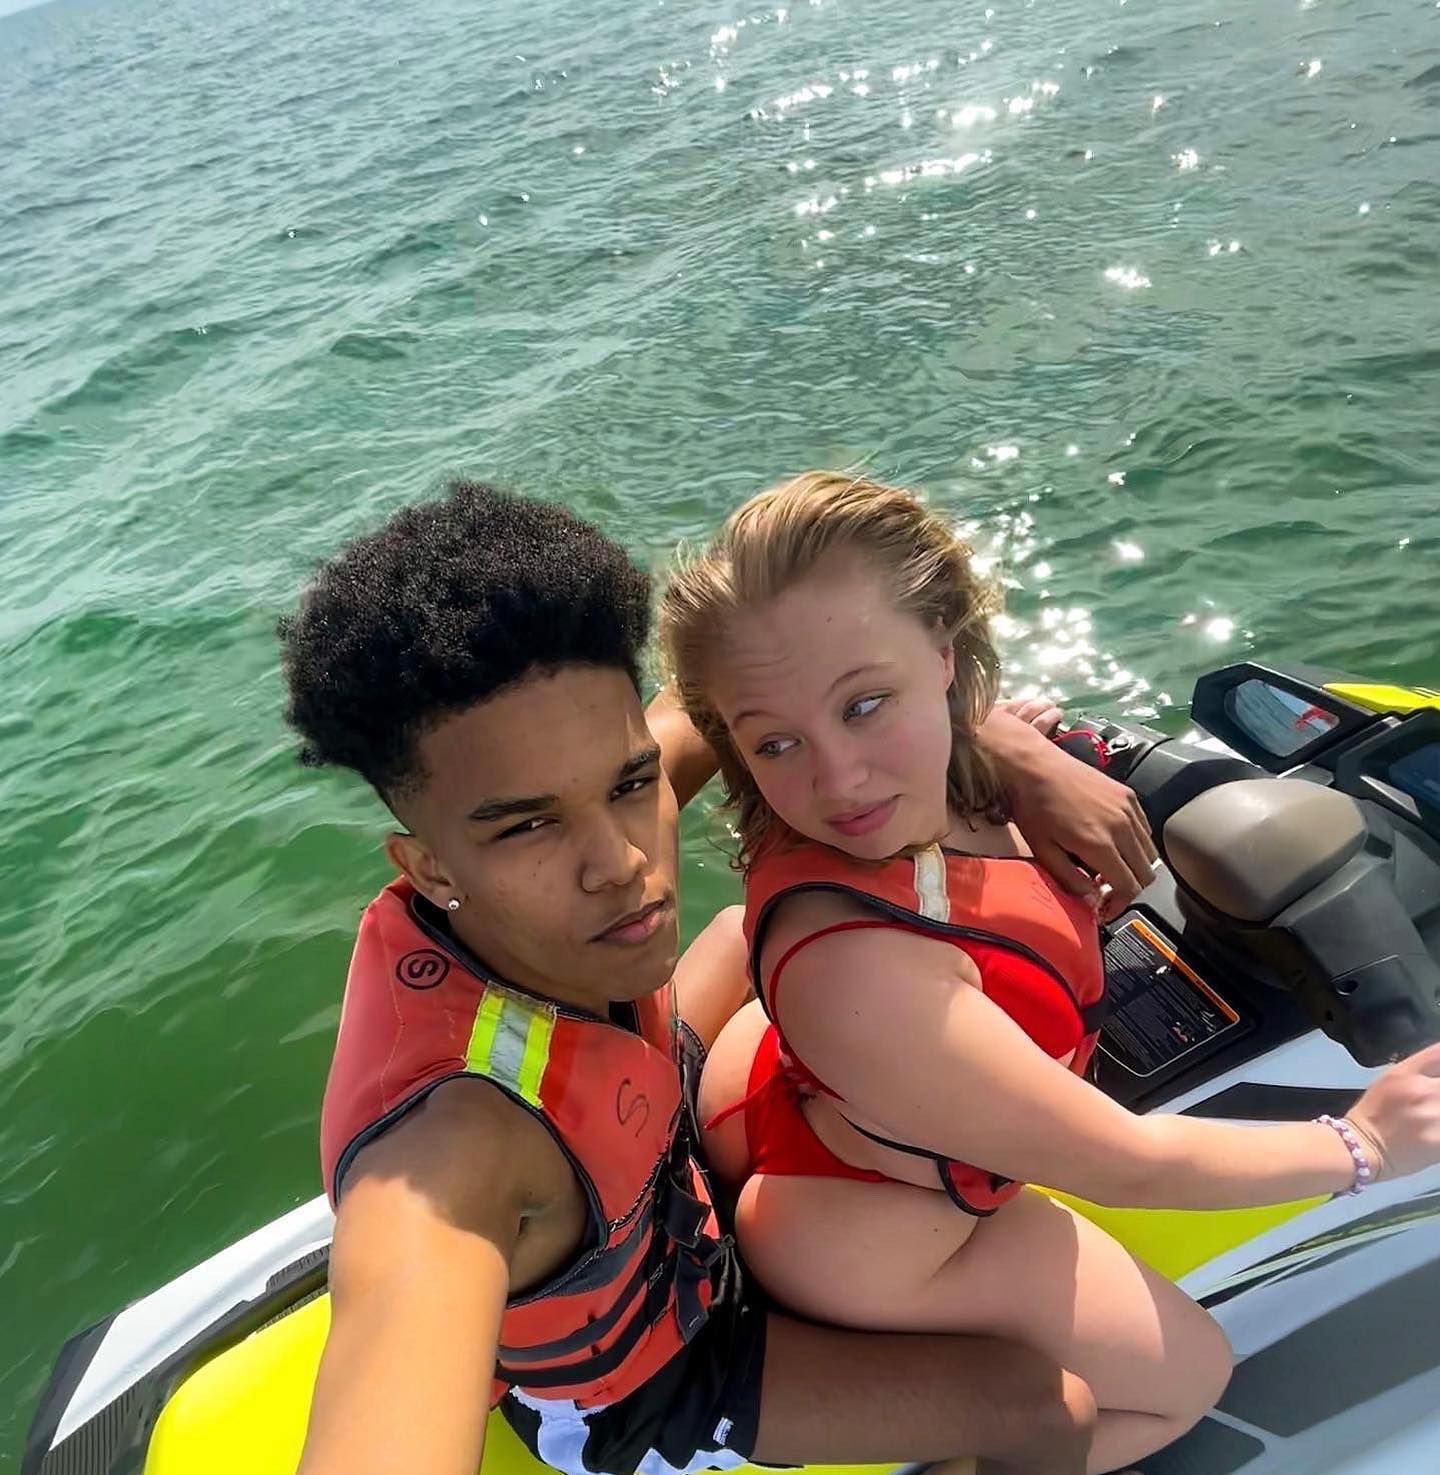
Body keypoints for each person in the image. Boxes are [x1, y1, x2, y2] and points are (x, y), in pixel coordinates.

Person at [276, 481, 1164, 1475]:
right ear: (428, 866)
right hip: (655, 1377)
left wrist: (1010, 750)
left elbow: (791, 660)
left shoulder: (569, 795)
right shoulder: (448, 1150)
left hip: (658, 1147)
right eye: (527, 826)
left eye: (632, 782)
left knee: (755, 927)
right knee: (1042, 1407)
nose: (620, 862)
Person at [659, 470, 1440, 1475]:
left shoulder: (956, 770)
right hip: (883, 1236)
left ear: (944, 652)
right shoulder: (864, 976)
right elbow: (1126, 1164)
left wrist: (1019, 745)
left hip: (775, 1091)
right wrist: (1363, 1143)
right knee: (1183, 1380)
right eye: (776, 741)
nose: (838, 778)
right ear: (738, 739)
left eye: (866, 703)